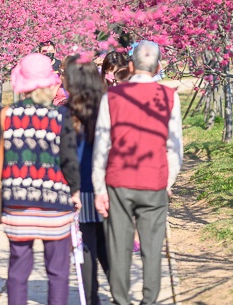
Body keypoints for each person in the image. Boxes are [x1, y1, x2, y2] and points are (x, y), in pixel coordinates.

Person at [0, 53, 80, 305]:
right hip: (55, 203)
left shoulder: (7, 114)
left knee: (17, 270)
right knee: (58, 272)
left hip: (18, 203)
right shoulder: (61, 116)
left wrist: (17, 165)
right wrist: (76, 190)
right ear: (50, 83)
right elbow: (70, 161)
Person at [93, 41, 182, 305]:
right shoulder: (169, 97)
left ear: (130, 66)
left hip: (119, 181)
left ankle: (120, 300)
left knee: (119, 247)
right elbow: (174, 146)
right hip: (154, 181)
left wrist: (99, 188)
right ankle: (149, 300)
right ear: (157, 67)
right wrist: (168, 181)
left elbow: (102, 143)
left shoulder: (113, 97)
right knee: (152, 247)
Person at [63, 58, 110, 305]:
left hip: (77, 190)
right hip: (106, 188)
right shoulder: (109, 106)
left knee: (86, 246)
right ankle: (120, 289)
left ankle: (90, 298)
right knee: (107, 243)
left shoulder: (65, 113)